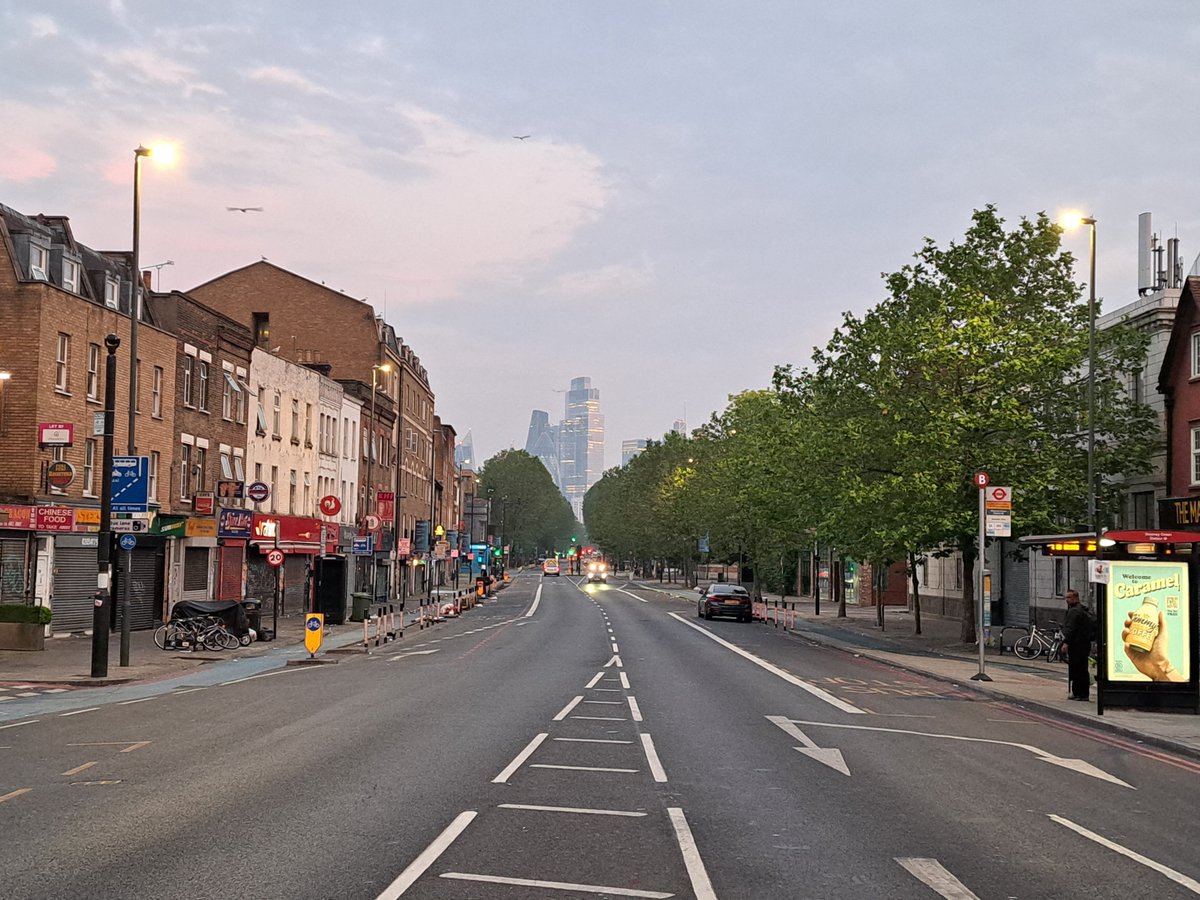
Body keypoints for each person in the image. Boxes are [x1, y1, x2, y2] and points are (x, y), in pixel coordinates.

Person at [1062, 589, 1093, 701]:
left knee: (1078, 669)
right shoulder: (1082, 609)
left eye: (1069, 598)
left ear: (1075, 598)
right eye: (1066, 597)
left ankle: (1080, 693)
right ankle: (1080, 693)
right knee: (1080, 668)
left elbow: (1072, 629)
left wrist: (1066, 642)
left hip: (1077, 644)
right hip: (1083, 643)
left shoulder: (1075, 611)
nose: (1067, 600)